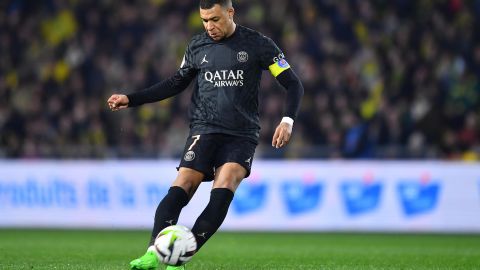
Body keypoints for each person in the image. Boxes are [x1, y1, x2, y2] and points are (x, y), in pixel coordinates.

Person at [107, 0, 304, 269]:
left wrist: (287, 120)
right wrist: (132, 99)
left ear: (230, 12)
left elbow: (293, 83)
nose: (209, 26)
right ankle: (154, 253)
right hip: (204, 129)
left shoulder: (259, 44)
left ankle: (179, 257)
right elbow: (176, 83)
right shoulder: (197, 46)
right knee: (182, 185)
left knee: (223, 189)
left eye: (215, 19)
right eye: (204, 20)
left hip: (241, 134)